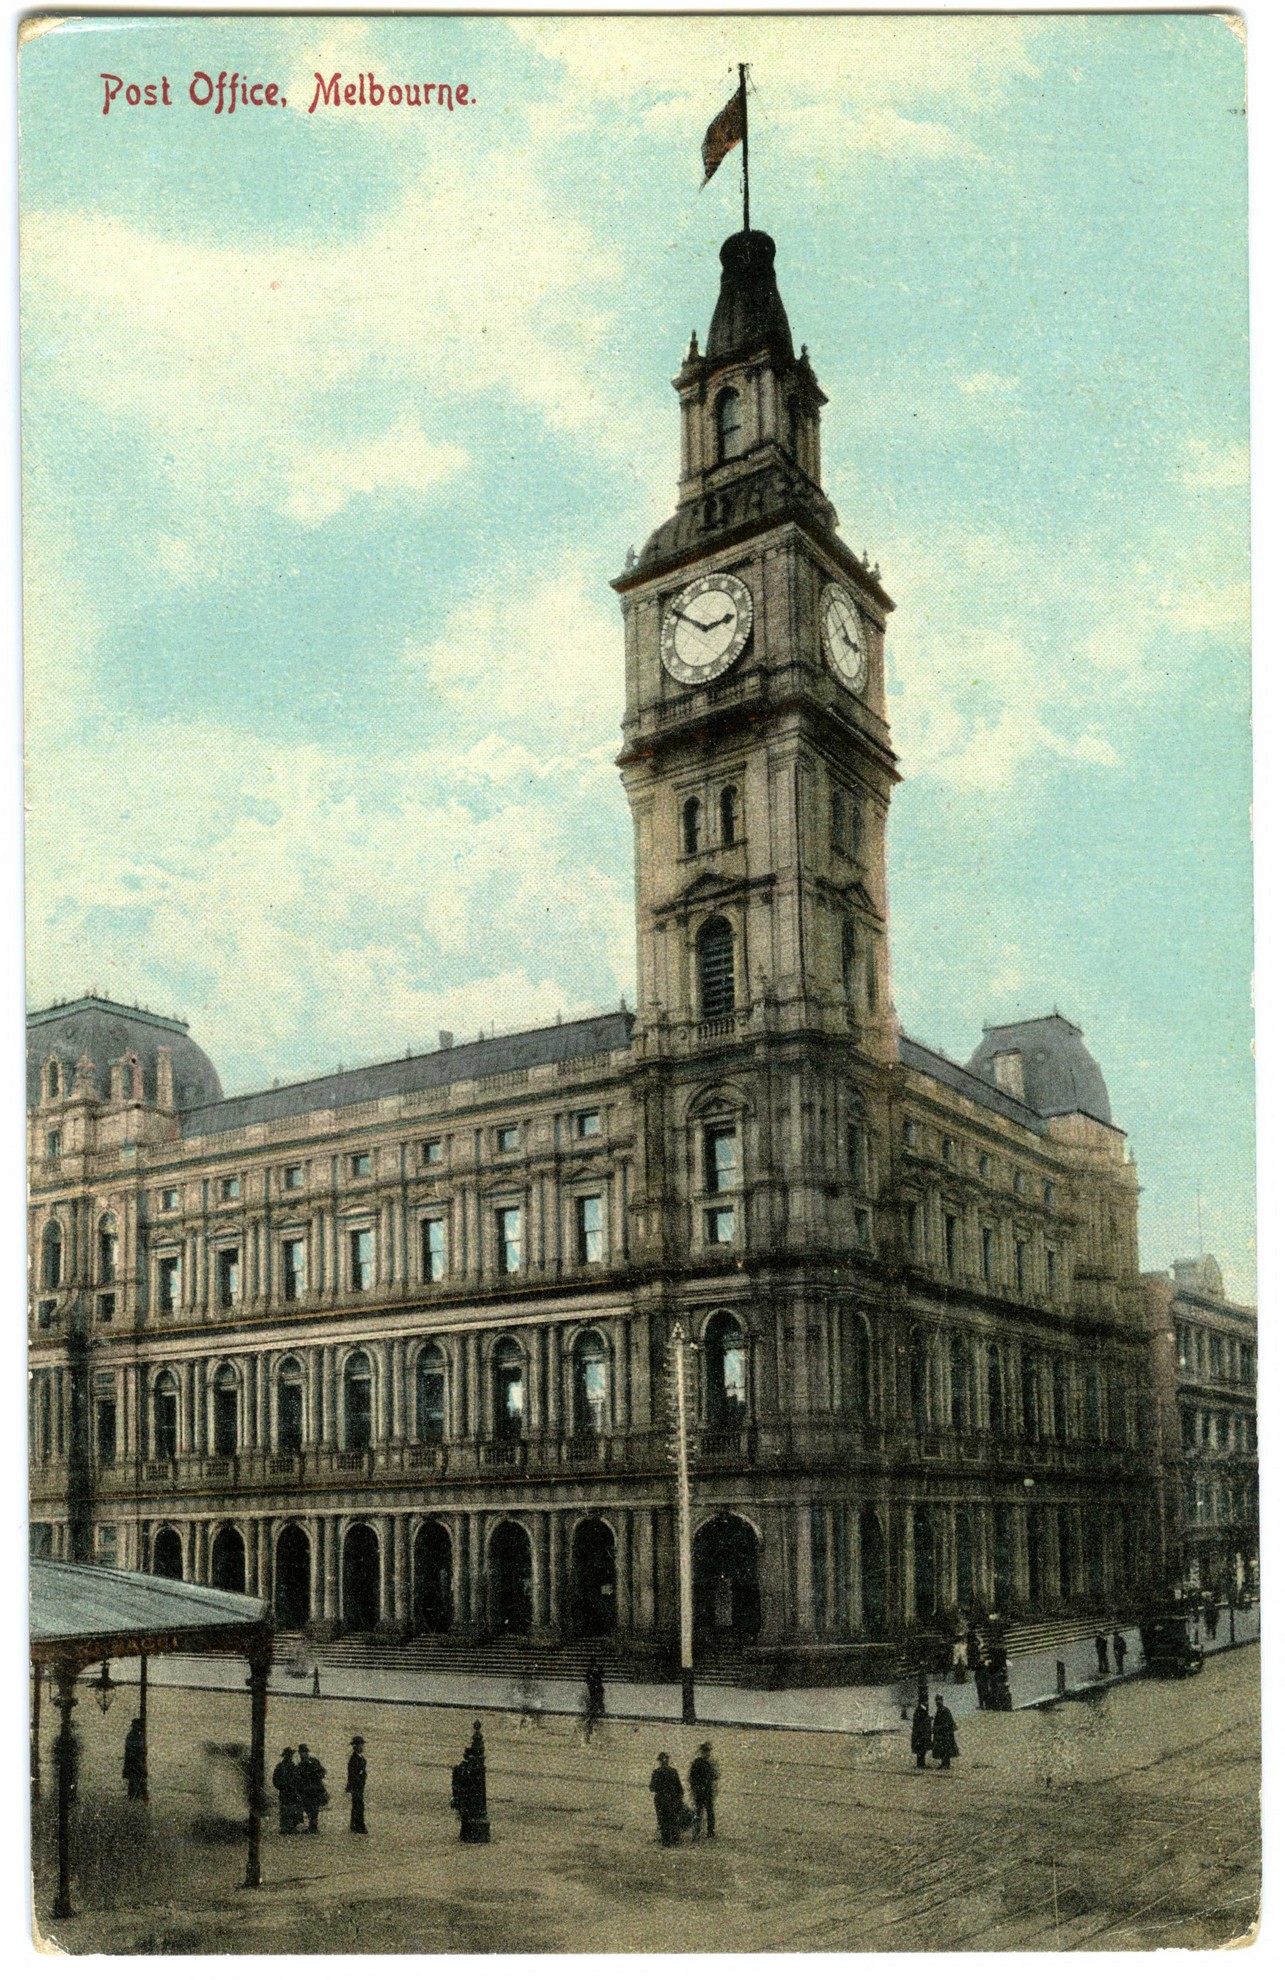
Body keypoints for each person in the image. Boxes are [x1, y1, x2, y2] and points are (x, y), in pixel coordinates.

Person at [452, 1742, 490, 1842]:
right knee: (468, 1815)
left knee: (466, 1817)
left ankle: (467, 1834)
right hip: (469, 1802)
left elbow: (455, 1785)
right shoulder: (465, 1769)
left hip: (466, 1802)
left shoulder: (461, 1768)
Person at [649, 1751, 685, 1847]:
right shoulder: (673, 1772)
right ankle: (674, 1838)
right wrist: (679, 1799)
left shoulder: (656, 1772)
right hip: (672, 1799)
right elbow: (680, 1788)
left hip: (660, 1799)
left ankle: (666, 1841)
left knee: (662, 1820)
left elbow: (652, 1788)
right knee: (672, 1818)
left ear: (660, 1761)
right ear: (668, 1761)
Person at [689, 1741, 719, 1836]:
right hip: (706, 1790)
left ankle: (699, 1831)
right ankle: (709, 1831)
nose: (707, 1753)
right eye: (707, 1751)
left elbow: (691, 1778)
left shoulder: (697, 1762)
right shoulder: (709, 1763)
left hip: (700, 1790)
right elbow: (715, 1776)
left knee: (700, 1811)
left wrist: (693, 1789)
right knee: (707, 1811)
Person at [296, 1743, 327, 1832]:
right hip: (309, 1790)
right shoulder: (301, 1765)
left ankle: (313, 1827)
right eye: (302, 1752)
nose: (303, 1754)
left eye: (304, 1752)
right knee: (310, 1807)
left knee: (313, 1807)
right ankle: (312, 1826)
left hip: (313, 1789)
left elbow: (323, 1772)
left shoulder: (312, 1762)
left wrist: (317, 1778)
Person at [272, 1746, 302, 1834]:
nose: (289, 1757)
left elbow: (298, 1779)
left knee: (290, 1808)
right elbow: (275, 1780)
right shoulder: (281, 1767)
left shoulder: (292, 1766)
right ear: (285, 1756)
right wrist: (283, 1786)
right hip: (286, 1791)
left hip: (290, 1791)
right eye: (288, 1755)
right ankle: (286, 1827)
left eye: (290, 1755)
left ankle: (290, 1827)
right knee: (287, 1808)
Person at [931, 1694, 959, 1771]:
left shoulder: (945, 1710)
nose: (937, 1702)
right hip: (942, 1733)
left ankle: (946, 1764)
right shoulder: (940, 1710)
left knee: (945, 1748)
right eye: (936, 1701)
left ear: (942, 1701)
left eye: (939, 1700)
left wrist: (937, 1728)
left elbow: (948, 1723)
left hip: (945, 1733)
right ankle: (944, 1763)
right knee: (942, 1749)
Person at [122, 1716, 147, 1800]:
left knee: (136, 1781)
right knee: (135, 1781)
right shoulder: (133, 1736)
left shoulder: (135, 1736)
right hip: (133, 1762)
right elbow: (134, 1750)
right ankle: (134, 1796)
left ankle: (135, 1796)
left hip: (134, 1762)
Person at [346, 1736, 367, 1835]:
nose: (362, 1747)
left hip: (359, 1786)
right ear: (356, 1746)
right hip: (356, 1786)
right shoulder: (354, 1758)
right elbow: (352, 1774)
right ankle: (359, 1826)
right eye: (360, 1745)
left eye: (362, 1745)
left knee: (357, 1805)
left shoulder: (360, 1757)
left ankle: (355, 1825)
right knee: (358, 1805)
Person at [910, 1701, 933, 1769]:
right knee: (921, 1749)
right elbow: (922, 1722)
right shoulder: (922, 1711)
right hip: (921, 1734)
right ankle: (921, 1764)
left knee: (920, 1749)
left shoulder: (919, 1710)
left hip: (919, 1734)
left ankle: (920, 1764)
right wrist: (929, 1719)